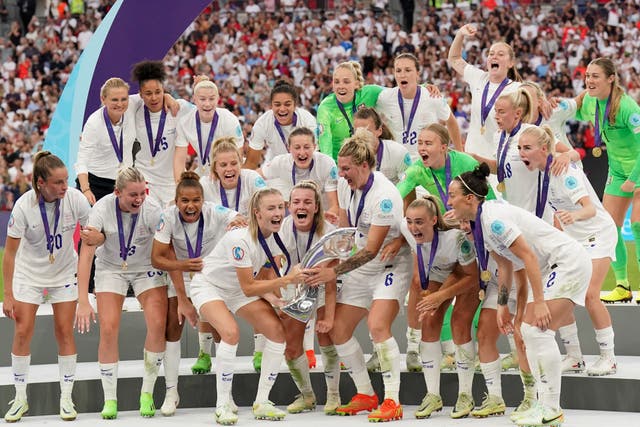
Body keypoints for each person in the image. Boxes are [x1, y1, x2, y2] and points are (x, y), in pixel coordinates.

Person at [448, 164, 591, 427]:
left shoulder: (493, 220)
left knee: (536, 331)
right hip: (557, 266)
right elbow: (507, 267)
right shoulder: (481, 223)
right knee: (528, 332)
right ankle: (542, 403)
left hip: (568, 263)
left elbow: (528, 257)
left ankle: (551, 408)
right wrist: (503, 306)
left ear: (469, 198)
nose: (448, 201)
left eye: (452, 195)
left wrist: (538, 303)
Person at [305, 130, 409, 422]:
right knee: (337, 329)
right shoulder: (343, 183)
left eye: (347, 168)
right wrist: (333, 258)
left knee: (377, 325)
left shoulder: (385, 196)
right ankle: (366, 394)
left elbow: (373, 250)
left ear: (364, 165)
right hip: (359, 263)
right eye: (341, 168)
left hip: (390, 263)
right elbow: (350, 235)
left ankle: (392, 400)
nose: (342, 173)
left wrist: (332, 272)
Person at [188, 187, 307, 423]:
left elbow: (262, 279)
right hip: (209, 286)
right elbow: (249, 287)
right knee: (230, 333)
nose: (277, 212)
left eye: (280, 207)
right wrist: (287, 280)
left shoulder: (275, 237)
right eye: (270, 208)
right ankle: (222, 404)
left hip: (240, 289)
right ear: (257, 213)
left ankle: (262, 401)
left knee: (276, 333)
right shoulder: (239, 239)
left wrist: (276, 299)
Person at [2, 152, 95, 422]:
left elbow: (91, 237)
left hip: (64, 272)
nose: (65, 186)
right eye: (58, 182)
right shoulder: (23, 206)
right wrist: (8, 294)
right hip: (29, 275)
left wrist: (97, 236)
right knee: (22, 331)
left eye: (66, 180)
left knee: (65, 331)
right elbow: (9, 254)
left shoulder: (75, 199)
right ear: (41, 183)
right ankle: (20, 398)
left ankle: (66, 397)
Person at [519, 125, 618, 376]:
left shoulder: (564, 172)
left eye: (527, 148)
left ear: (543, 149)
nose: (522, 153)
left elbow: (589, 209)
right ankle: (574, 357)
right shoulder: (542, 174)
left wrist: (572, 216)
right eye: (520, 148)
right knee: (560, 295)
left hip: (597, 234)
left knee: (590, 296)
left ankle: (609, 357)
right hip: (573, 240)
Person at [75, 167, 167, 419]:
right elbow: (86, 256)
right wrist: (83, 299)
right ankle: (110, 398)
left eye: (142, 193)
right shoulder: (102, 208)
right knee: (108, 328)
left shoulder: (152, 208)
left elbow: (167, 246)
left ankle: (147, 393)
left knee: (158, 324)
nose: (139, 199)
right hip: (111, 269)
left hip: (146, 267)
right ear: (117, 193)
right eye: (132, 195)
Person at [151, 171, 242, 416]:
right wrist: (182, 294)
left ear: (203, 200)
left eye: (195, 200)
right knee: (172, 328)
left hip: (211, 279)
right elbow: (157, 258)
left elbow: (239, 218)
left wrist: (237, 222)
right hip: (178, 275)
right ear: (176, 201)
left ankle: (227, 396)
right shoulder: (167, 217)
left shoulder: (215, 211)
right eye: (185, 201)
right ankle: (172, 392)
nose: (190, 206)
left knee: (221, 330)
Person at [404, 196, 481, 419]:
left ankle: (466, 394)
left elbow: (471, 276)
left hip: (468, 275)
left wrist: (440, 296)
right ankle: (432, 395)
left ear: (434, 220)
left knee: (459, 322)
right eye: (409, 221)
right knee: (428, 320)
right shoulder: (407, 229)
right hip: (442, 270)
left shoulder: (456, 239)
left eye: (419, 222)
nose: (413, 227)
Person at [573, 58, 640, 305]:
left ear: (611, 78)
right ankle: (623, 286)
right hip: (617, 171)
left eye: (595, 76)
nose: (589, 80)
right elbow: (574, 108)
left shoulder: (627, 108)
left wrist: (633, 180)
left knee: (638, 226)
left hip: (638, 170)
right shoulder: (592, 102)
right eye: (587, 76)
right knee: (610, 229)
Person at [276, 180, 339, 415]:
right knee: (291, 348)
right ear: (289, 206)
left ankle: (334, 396)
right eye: (296, 202)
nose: (301, 206)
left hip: (322, 287)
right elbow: (271, 266)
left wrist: (330, 317)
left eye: (307, 202)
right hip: (294, 287)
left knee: (325, 337)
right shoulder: (281, 229)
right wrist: (278, 298)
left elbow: (331, 280)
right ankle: (307, 396)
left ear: (316, 207)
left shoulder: (329, 233)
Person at [448, 25, 522, 165]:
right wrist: (460, 34)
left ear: (511, 63)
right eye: (491, 53)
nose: (494, 56)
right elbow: (454, 58)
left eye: (500, 54)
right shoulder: (479, 78)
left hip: (498, 161)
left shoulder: (517, 89)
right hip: (472, 158)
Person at [375, 53, 462, 160]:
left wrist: (460, 155)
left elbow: (451, 121)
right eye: (398, 70)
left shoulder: (432, 96)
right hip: (396, 163)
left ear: (417, 74)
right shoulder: (385, 98)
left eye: (408, 70)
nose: (402, 75)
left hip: (426, 164)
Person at [131, 60, 191, 208]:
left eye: (158, 92)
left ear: (164, 89)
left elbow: (206, 110)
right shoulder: (133, 108)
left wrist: (203, 84)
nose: (154, 98)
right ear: (140, 94)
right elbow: (111, 105)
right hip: (146, 181)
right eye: (148, 93)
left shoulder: (179, 107)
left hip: (173, 182)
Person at [76, 78, 136, 205]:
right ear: (103, 99)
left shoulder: (133, 106)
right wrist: (86, 190)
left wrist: (168, 97)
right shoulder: (94, 123)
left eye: (124, 99)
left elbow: (153, 94)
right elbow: (82, 160)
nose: (120, 104)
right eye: (114, 100)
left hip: (125, 182)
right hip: (97, 184)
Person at [260, 127, 339, 219]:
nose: (302, 152)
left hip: (322, 213)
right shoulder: (280, 162)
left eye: (306, 147)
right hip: (296, 214)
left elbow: (335, 205)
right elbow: (257, 175)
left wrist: (322, 220)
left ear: (315, 146)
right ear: (288, 148)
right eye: (297, 147)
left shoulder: (326, 164)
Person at [173, 77, 243, 181]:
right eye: (202, 99)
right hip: (203, 172)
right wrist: (179, 185)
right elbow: (179, 159)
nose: (207, 104)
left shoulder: (229, 119)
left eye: (211, 99)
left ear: (218, 98)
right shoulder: (185, 122)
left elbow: (238, 154)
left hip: (228, 170)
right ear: (194, 99)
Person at [316, 61, 383, 161]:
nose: (340, 86)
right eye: (336, 82)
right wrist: (332, 171)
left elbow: (394, 95)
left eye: (346, 82)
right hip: (340, 166)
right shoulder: (326, 107)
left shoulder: (369, 93)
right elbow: (325, 142)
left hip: (367, 162)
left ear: (356, 84)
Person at [244, 80, 317, 169]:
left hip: (306, 165)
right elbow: (251, 163)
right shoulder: (262, 123)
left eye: (287, 104)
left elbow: (315, 155)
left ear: (295, 105)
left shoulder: (307, 120)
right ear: (271, 106)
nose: (282, 109)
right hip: (277, 168)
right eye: (277, 104)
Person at [352, 107, 411, 185]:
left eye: (367, 131)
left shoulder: (398, 152)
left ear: (379, 131)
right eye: (357, 131)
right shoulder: (350, 156)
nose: (361, 136)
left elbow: (409, 185)